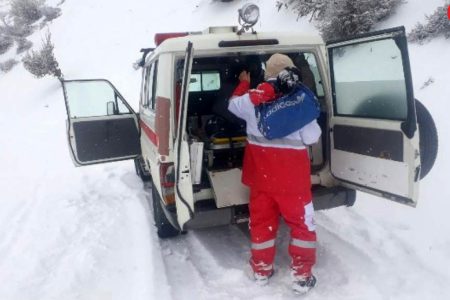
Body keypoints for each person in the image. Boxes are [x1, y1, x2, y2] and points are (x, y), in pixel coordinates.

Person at [228, 53, 321, 294]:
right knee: (302, 227)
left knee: (262, 224)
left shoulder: (251, 103)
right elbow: (313, 137)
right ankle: (301, 277)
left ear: (267, 74)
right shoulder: (298, 106)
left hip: (262, 181)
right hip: (293, 184)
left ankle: (261, 270)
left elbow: (232, 104)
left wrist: (244, 83)